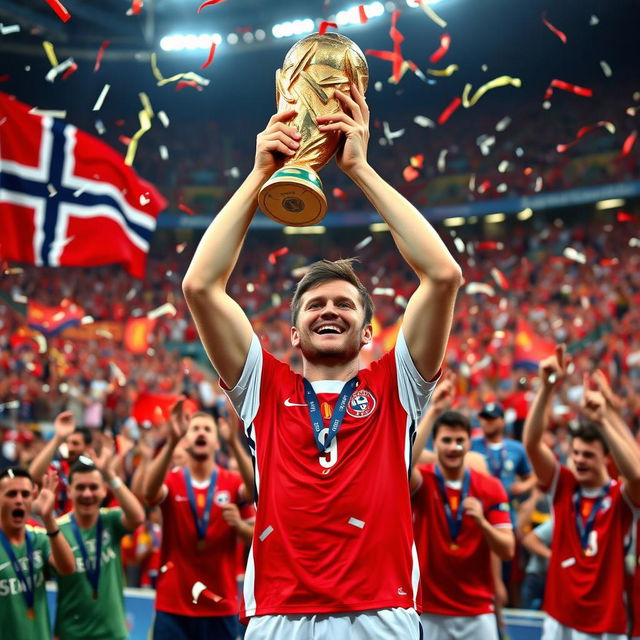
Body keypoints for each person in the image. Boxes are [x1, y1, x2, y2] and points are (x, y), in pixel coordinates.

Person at [182, 80, 462, 638]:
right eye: (315, 304)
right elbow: (201, 286)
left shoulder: (398, 386)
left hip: (381, 613)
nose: (328, 311)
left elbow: (443, 274)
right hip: (279, 616)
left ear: (367, 332)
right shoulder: (263, 386)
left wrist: (358, 167)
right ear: (292, 330)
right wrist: (262, 174)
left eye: (344, 305)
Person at [523, 346, 640, 640]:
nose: (579, 460)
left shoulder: (620, 497)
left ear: (606, 458)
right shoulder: (563, 485)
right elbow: (532, 444)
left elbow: (637, 475)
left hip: (606, 620)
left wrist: (603, 420)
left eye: (588, 454)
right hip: (560, 614)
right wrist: (547, 389)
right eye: (575, 454)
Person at [143, 404, 255, 640]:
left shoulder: (231, 481)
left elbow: (255, 490)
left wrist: (235, 443)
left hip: (219, 602)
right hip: (174, 603)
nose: (201, 432)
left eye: (207, 429)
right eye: (195, 429)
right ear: (187, 439)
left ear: (216, 441)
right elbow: (149, 493)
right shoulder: (173, 480)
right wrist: (171, 442)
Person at [410, 409, 514, 639]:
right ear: (434, 444)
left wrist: (483, 522)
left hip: (476, 609)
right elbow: (406, 462)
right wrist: (434, 409)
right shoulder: (422, 481)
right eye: (446, 440)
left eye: (460, 440)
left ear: (470, 444)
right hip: (429, 609)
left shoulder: (490, 487)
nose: (453, 447)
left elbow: (507, 550)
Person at [53, 439, 145, 640]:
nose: (87, 494)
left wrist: (110, 475)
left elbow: (137, 517)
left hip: (113, 634)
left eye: (94, 487)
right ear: (69, 491)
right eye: (80, 487)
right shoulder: (56, 531)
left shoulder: (110, 520)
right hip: (71, 634)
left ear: (104, 490)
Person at [0, 467, 75, 638]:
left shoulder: (38, 539)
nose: (19, 500)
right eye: (11, 494)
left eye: (25, 494)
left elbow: (68, 567)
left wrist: (48, 517)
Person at [29, 410, 92, 514]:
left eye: (75, 443)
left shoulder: (94, 472)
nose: (70, 447)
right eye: (67, 442)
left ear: (87, 447)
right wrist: (58, 437)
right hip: (56, 525)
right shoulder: (58, 468)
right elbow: (34, 475)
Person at [520, 518, 553, 610]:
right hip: (537, 577)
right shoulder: (559, 521)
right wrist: (554, 558)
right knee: (528, 620)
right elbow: (529, 540)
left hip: (556, 580)